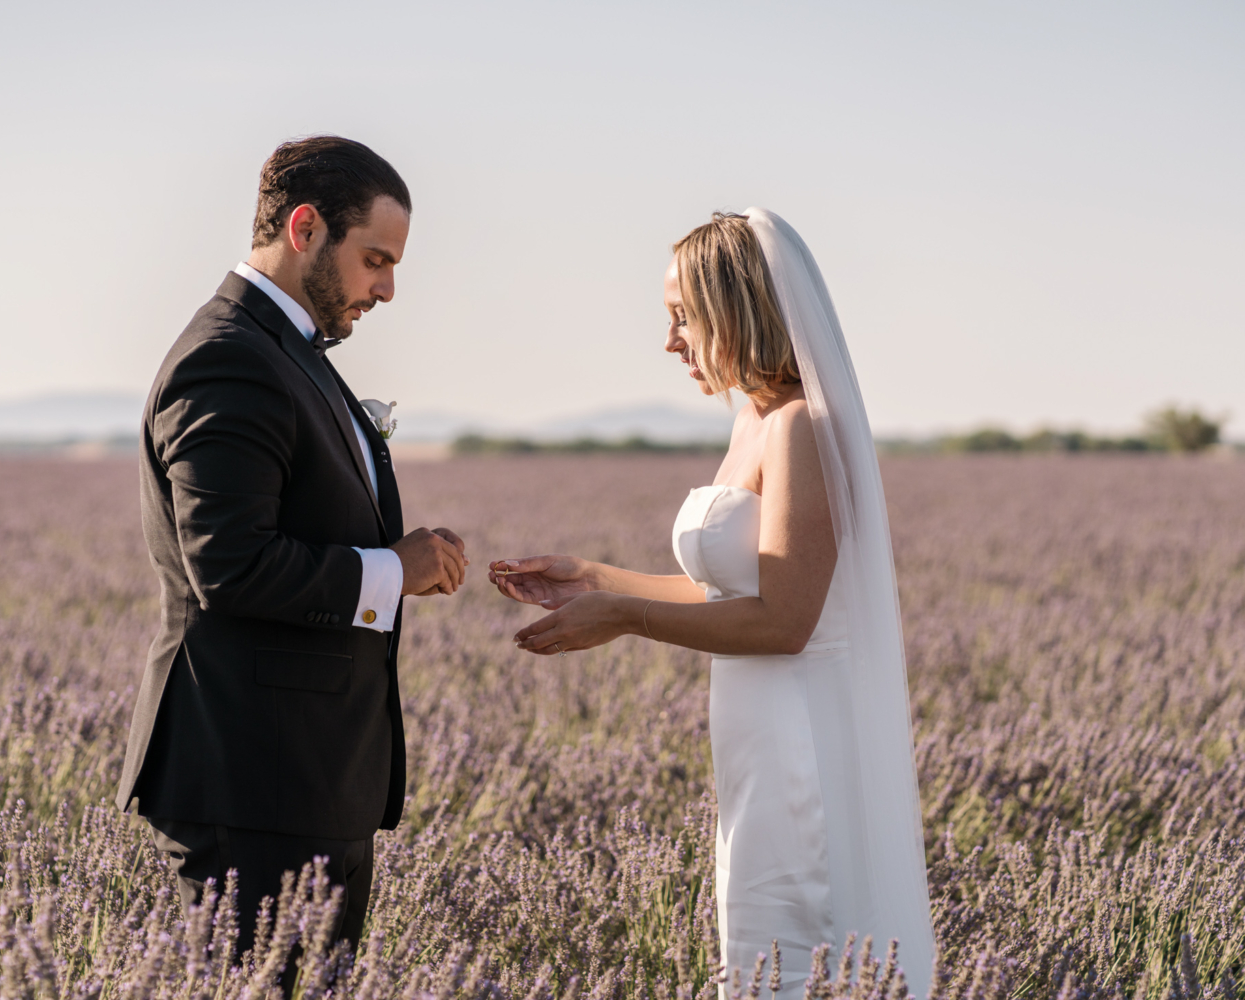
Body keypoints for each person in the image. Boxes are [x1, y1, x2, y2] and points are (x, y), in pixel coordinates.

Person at [489, 210, 934, 994]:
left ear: (737, 309)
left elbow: (786, 622)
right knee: (760, 940)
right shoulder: (753, 421)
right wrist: (595, 579)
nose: (671, 342)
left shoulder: (800, 425)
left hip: (800, 732)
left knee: (799, 948)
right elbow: (728, 589)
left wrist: (625, 620)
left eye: (681, 317)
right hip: (755, 734)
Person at [116, 136, 469, 978]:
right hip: (250, 787)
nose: (387, 287)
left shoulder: (290, 354)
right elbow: (229, 563)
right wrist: (394, 571)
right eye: (375, 259)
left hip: (313, 783)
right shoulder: (228, 358)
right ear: (305, 228)